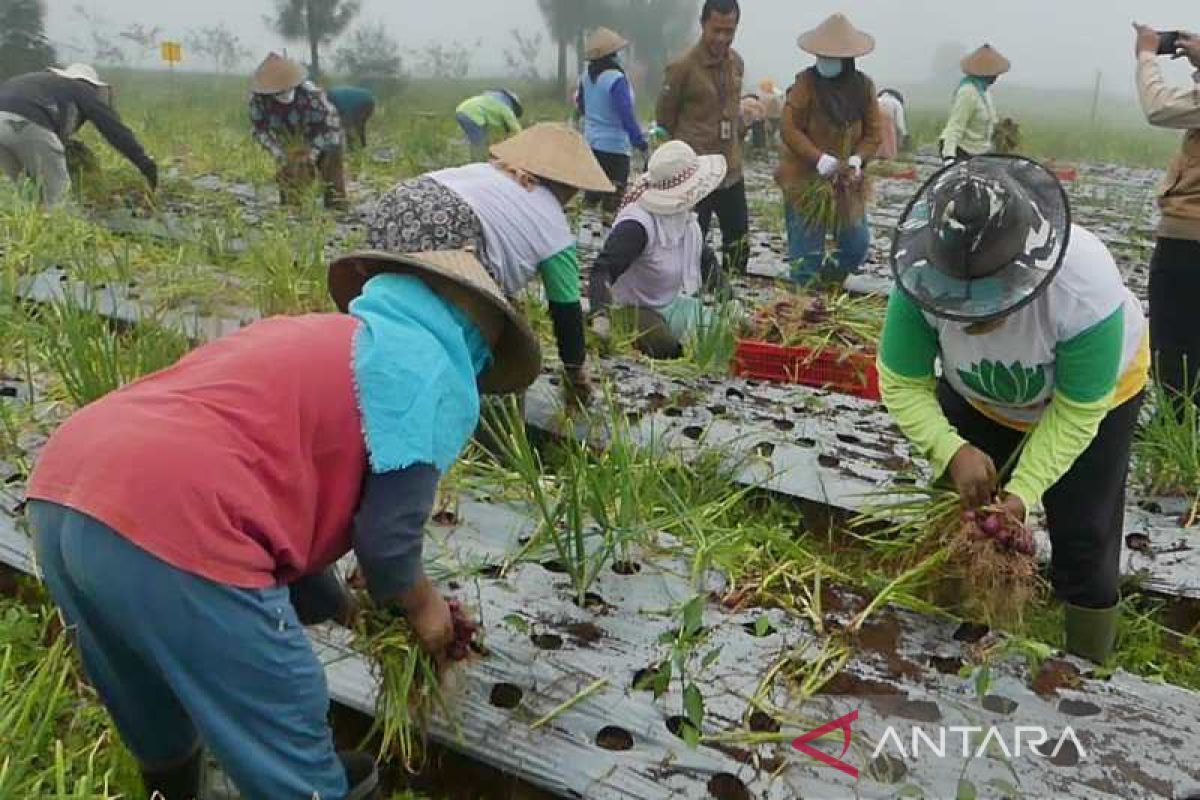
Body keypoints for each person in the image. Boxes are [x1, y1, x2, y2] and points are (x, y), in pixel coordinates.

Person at [25, 246, 542, 800]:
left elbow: (277, 530)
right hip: (182, 509)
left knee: (145, 693)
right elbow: (388, 544)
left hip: (65, 484)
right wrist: (424, 609)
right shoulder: (430, 371)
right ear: (477, 345)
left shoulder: (324, 336)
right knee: (286, 712)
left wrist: (351, 613)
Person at [878, 156, 1149, 663]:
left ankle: (1088, 672)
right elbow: (901, 381)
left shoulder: (1083, 287)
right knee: (963, 522)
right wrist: (951, 449)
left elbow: (1076, 410)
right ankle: (951, 647)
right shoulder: (917, 281)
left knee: (1085, 532)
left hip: (1092, 400)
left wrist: (1024, 492)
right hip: (979, 397)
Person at [364, 123, 612, 405]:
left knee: (394, 312)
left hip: (393, 208)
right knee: (482, 329)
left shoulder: (484, 171)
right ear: (570, 187)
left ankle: (373, 379)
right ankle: (455, 408)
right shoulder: (554, 228)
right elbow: (566, 311)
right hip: (447, 230)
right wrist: (576, 373)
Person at [589, 141, 726, 359]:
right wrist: (600, 316)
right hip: (629, 308)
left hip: (668, 304)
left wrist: (729, 300)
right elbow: (601, 270)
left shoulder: (685, 221)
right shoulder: (638, 226)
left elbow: (705, 259)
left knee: (720, 336)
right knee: (666, 347)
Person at [776, 13, 882, 285]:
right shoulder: (806, 84)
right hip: (805, 181)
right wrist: (819, 159)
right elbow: (788, 127)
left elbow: (873, 134)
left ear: (847, 60)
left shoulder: (863, 87)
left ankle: (830, 279)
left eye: (833, 57)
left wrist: (858, 159)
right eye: (822, 56)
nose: (826, 62)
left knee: (856, 245)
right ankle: (803, 306)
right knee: (806, 257)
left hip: (845, 181)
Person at [657, 0, 749, 274]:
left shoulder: (737, 64)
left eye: (729, 31)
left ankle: (732, 300)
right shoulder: (682, 67)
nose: (722, 38)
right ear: (703, 24)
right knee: (693, 245)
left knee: (739, 245)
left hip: (731, 170)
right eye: (716, 30)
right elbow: (664, 120)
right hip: (695, 173)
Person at [1134, 24, 1200, 407]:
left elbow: (1159, 107)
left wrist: (1146, 54)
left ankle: (1177, 422)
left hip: (1188, 237)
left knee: (1173, 340)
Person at [0, 63, 157, 205]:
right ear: (92, 85)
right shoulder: (81, 88)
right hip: (30, 123)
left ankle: (27, 233)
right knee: (57, 191)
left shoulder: (43, 84)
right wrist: (144, 162)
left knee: (24, 191)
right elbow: (113, 128)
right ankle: (59, 232)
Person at [248, 52, 346, 209]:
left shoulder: (312, 95)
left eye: (287, 90)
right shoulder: (258, 101)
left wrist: (313, 155)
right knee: (290, 177)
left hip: (323, 137)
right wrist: (278, 153)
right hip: (288, 140)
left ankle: (337, 212)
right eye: (278, 93)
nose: (284, 95)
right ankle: (292, 212)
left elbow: (332, 127)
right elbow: (259, 130)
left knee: (332, 178)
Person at [576, 27, 648, 212]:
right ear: (613, 56)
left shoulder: (586, 78)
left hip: (592, 145)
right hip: (615, 150)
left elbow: (582, 106)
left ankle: (583, 238)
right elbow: (626, 114)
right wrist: (640, 142)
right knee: (612, 206)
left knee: (590, 203)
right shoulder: (616, 79)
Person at [940, 44, 1010, 164]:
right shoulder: (967, 92)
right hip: (962, 150)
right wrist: (949, 157)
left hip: (979, 151)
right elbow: (956, 125)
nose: (996, 77)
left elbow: (989, 118)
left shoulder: (983, 91)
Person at [456, 89, 523, 162]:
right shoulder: (505, 108)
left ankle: (465, 157)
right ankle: (479, 163)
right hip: (471, 114)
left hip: (461, 110)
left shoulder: (492, 100)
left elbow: (504, 127)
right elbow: (516, 128)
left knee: (476, 139)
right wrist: (523, 140)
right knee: (479, 143)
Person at [327, 85, 377, 150]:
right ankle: (363, 144)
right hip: (370, 99)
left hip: (362, 102)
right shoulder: (334, 93)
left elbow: (345, 114)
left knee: (347, 125)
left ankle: (352, 148)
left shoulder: (335, 98)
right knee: (360, 124)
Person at [877, 88, 909, 160]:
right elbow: (900, 126)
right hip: (888, 125)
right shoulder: (896, 103)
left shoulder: (876, 101)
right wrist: (900, 144)